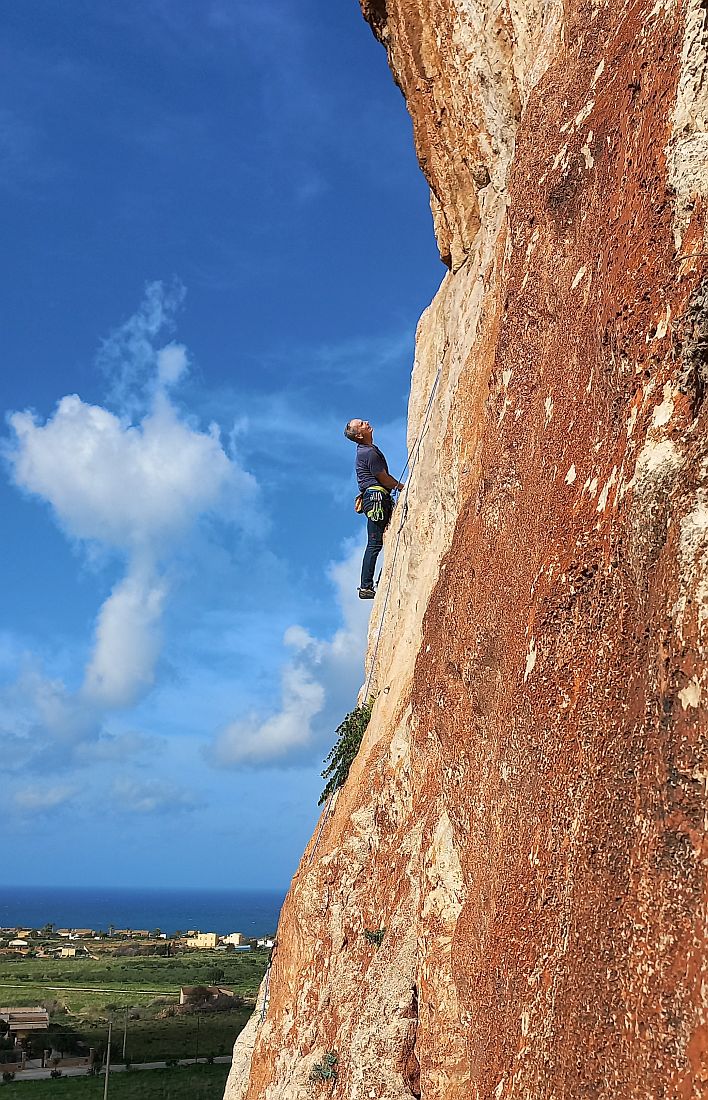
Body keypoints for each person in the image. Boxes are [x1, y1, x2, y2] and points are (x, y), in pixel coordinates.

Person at [344, 418, 404, 599]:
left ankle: (367, 585)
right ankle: (365, 586)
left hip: (374, 498)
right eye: (361, 424)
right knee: (375, 543)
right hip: (376, 498)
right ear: (360, 435)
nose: (366, 422)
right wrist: (402, 487)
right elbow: (383, 478)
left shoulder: (367, 451)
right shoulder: (368, 453)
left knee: (376, 541)